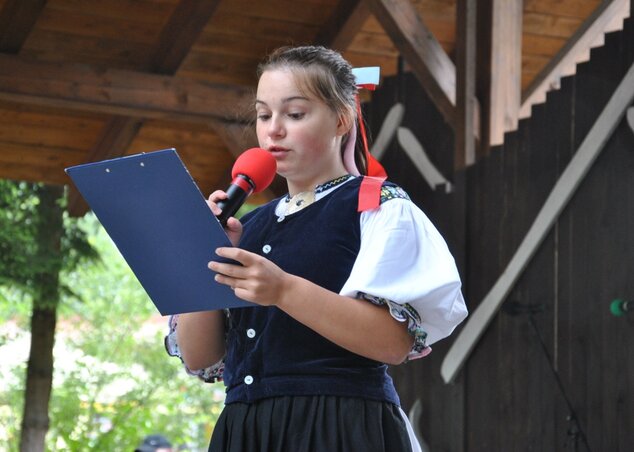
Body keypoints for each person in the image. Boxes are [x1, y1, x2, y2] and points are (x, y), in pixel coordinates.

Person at [165, 45, 468, 452]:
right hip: (245, 431)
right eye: (263, 114)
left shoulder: (377, 205)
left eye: (294, 114)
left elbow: (392, 343)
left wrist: (284, 290)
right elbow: (200, 356)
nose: (273, 129)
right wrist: (205, 251)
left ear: (341, 119)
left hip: (339, 427)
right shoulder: (248, 225)